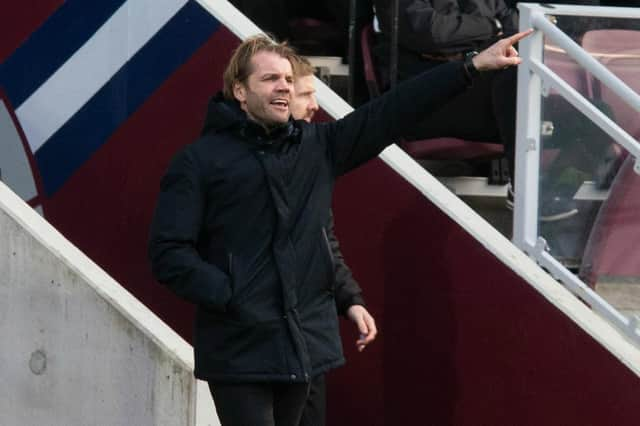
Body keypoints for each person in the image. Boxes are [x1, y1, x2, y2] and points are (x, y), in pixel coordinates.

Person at [148, 30, 531, 426]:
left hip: (303, 344)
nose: (283, 87)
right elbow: (168, 253)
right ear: (240, 92)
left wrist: (470, 67)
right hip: (238, 345)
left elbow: (390, 112)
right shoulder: (198, 162)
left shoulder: (319, 147)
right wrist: (232, 294)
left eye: (288, 80)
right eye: (269, 79)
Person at [288, 54, 376, 426]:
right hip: (258, 344)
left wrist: (350, 300)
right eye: (306, 94)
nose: (315, 105)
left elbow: (325, 243)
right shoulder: (218, 163)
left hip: (310, 339)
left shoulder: (313, 158)